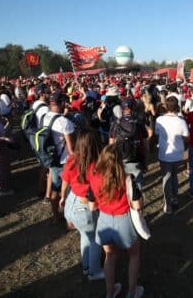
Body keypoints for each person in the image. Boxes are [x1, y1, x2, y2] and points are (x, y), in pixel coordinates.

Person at [87, 144, 144, 298]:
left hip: (104, 221)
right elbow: (137, 205)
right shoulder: (127, 179)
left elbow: (92, 205)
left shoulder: (93, 176)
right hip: (123, 220)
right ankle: (132, 293)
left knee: (109, 256)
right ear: (120, 161)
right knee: (134, 254)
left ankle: (110, 293)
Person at [59, 130, 103, 280]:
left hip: (71, 202)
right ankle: (94, 271)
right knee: (96, 239)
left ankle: (86, 266)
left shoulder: (71, 159)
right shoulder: (95, 165)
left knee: (85, 235)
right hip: (84, 207)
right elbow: (96, 190)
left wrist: (62, 197)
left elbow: (65, 180)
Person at [42, 91, 75, 223]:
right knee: (69, 192)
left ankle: (56, 216)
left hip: (53, 159)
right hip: (66, 161)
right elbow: (71, 148)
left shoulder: (45, 117)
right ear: (62, 103)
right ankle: (69, 220)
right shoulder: (65, 122)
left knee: (55, 190)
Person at [154, 96, 189, 214]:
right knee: (174, 176)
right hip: (177, 154)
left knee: (167, 178)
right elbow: (186, 137)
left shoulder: (159, 120)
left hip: (165, 154)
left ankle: (168, 204)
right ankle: (174, 199)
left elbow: (157, 133)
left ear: (166, 107)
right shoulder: (181, 121)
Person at [109, 98, 148, 190]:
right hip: (136, 159)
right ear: (134, 108)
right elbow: (146, 146)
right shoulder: (139, 123)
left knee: (121, 188)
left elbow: (110, 146)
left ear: (122, 109)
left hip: (120, 160)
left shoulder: (115, 124)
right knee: (137, 190)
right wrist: (145, 162)